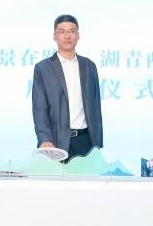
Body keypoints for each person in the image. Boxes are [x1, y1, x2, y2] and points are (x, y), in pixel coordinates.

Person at [32, 14, 103, 159]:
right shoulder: (43, 68)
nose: (67, 36)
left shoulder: (89, 66)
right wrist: (45, 139)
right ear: (55, 36)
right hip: (55, 141)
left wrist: (97, 142)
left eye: (72, 31)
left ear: (78, 36)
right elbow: (40, 108)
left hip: (85, 140)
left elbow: (95, 106)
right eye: (62, 31)